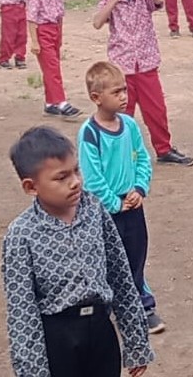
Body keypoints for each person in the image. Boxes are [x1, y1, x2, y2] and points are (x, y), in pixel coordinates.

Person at [3, 126, 154, 377]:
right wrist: (32, 371)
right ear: (31, 187)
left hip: (101, 331)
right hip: (57, 339)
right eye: (61, 177)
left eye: (76, 171)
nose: (75, 182)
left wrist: (136, 341)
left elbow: (121, 277)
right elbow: (22, 310)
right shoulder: (21, 234)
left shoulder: (95, 211)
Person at [77, 61, 167, 335]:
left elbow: (143, 159)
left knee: (136, 255)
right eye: (116, 92)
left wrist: (139, 189)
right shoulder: (89, 133)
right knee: (108, 259)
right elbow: (92, 178)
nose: (123, 96)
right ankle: (110, 306)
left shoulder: (129, 125)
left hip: (133, 203)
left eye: (124, 90)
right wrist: (114, 204)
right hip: (106, 211)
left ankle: (142, 305)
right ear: (96, 98)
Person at [93, 0, 193, 166]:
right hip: (122, 68)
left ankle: (164, 149)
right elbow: (97, 22)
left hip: (146, 64)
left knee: (156, 110)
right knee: (123, 112)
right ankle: (120, 153)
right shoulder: (108, 0)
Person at [26, 0, 83, 121]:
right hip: (43, 31)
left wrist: (60, 35)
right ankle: (62, 103)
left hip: (55, 30)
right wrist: (35, 41)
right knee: (52, 69)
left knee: (52, 68)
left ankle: (50, 103)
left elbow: (60, 15)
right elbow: (31, 19)